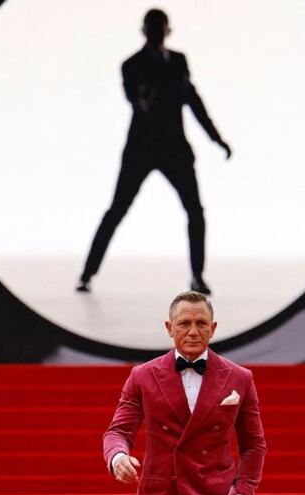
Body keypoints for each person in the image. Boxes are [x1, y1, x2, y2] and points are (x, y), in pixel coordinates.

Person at [103, 290, 266, 495]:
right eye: (184, 324)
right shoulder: (142, 376)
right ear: (169, 328)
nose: (193, 331)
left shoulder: (239, 377)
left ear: (213, 329)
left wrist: (243, 493)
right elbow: (118, 431)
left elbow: (254, 444)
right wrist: (118, 457)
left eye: (201, 323)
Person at [78, 9, 232, 295]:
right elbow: (137, 99)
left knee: (195, 212)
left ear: (167, 31)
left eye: (159, 29)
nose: (156, 34)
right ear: (144, 31)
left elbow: (193, 101)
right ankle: (87, 274)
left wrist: (215, 137)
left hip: (174, 150)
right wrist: (147, 97)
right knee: (117, 210)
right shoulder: (131, 65)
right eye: (152, 29)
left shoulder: (178, 61)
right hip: (141, 150)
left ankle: (197, 276)